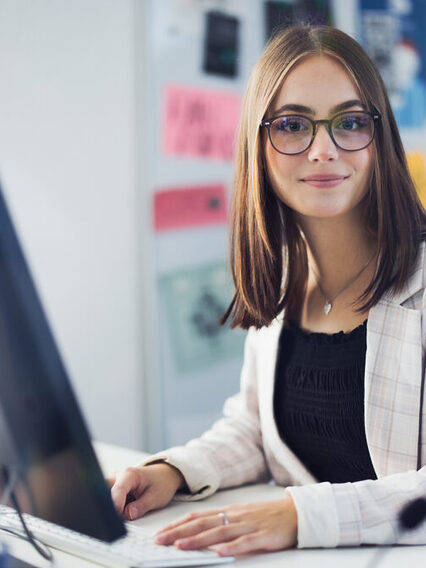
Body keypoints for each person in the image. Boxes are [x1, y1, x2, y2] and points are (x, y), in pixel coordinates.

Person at [109, 24, 426, 555]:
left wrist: (303, 516)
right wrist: (176, 470)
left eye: (349, 122)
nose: (323, 150)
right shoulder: (285, 278)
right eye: (292, 125)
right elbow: (256, 431)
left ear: (380, 135)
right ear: (259, 145)